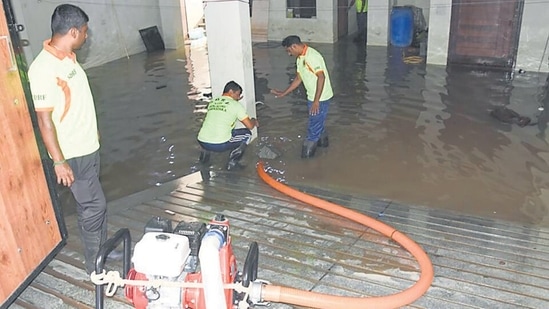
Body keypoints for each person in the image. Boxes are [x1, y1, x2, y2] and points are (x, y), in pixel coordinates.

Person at [28, 4, 118, 275]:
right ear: (73, 31)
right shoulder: (43, 69)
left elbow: (75, 101)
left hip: (88, 144)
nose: (87, 37)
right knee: (94, 206)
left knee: (92, 203)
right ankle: (95, 266)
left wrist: (93, 129)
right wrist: (58, 161)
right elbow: (44, 121)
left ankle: (100, 250)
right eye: (85, 32)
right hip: (73, 153)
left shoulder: (68, 57)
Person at [270, 35, 332, 158]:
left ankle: (306, 164)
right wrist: (284, 92)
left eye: (289, 50)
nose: (289, 54)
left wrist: (316, 101)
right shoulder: (300, 58)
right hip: (312, 97)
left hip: (320, 98)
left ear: (294, 46)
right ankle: (324, 147)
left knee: (312, 131)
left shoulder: (312, 57)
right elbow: (299, 78)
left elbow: (321, 77)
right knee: (318, 122)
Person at [197, 81, 258, 170]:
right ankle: (233, 164)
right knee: (247, 134)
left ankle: (203, 162)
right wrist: (254, 121)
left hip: (202, 141)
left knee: (214, 132)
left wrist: (235, 100)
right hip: (220, 144)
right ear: (231, 91)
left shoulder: (213, 101)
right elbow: (250, 126)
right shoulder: (236, 105)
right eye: (238, 94)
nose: (238, 97)